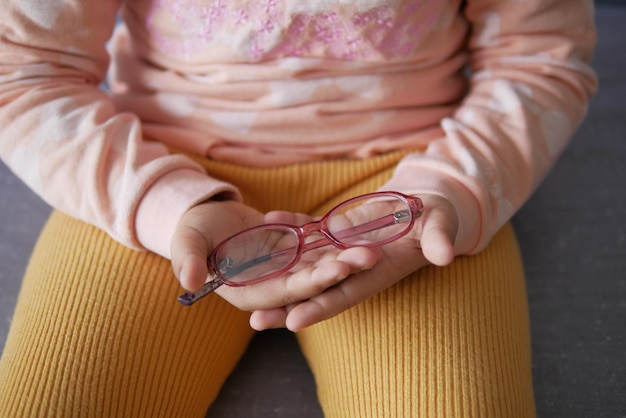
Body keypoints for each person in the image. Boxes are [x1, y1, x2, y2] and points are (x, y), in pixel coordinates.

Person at [0, 0, 596, 417]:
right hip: (153, 173)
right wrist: (163, 205)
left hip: (410, 187)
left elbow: (539, 57)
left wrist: (451, 191)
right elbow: (25, 70)